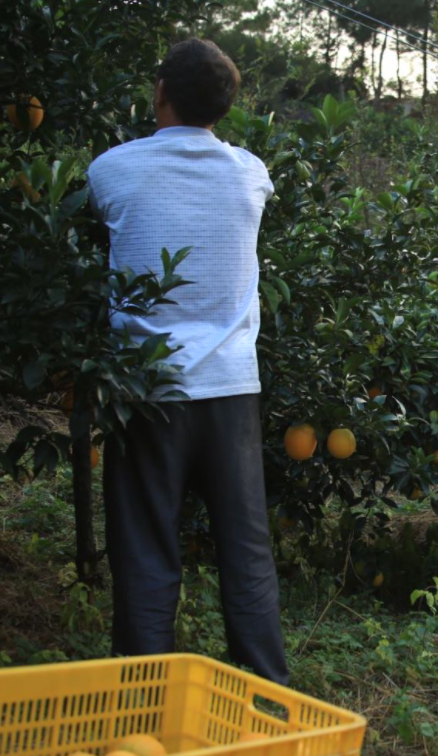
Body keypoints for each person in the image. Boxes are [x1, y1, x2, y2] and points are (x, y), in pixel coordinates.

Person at [86, 38, 288, 684]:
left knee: (146, 548)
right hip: (231, 391)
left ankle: (146, 698)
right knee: (246, 550)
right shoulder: (250, 172)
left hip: (145, 390)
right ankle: (267, 693)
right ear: (224, 106)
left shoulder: (112, 169)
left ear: (161, 93)